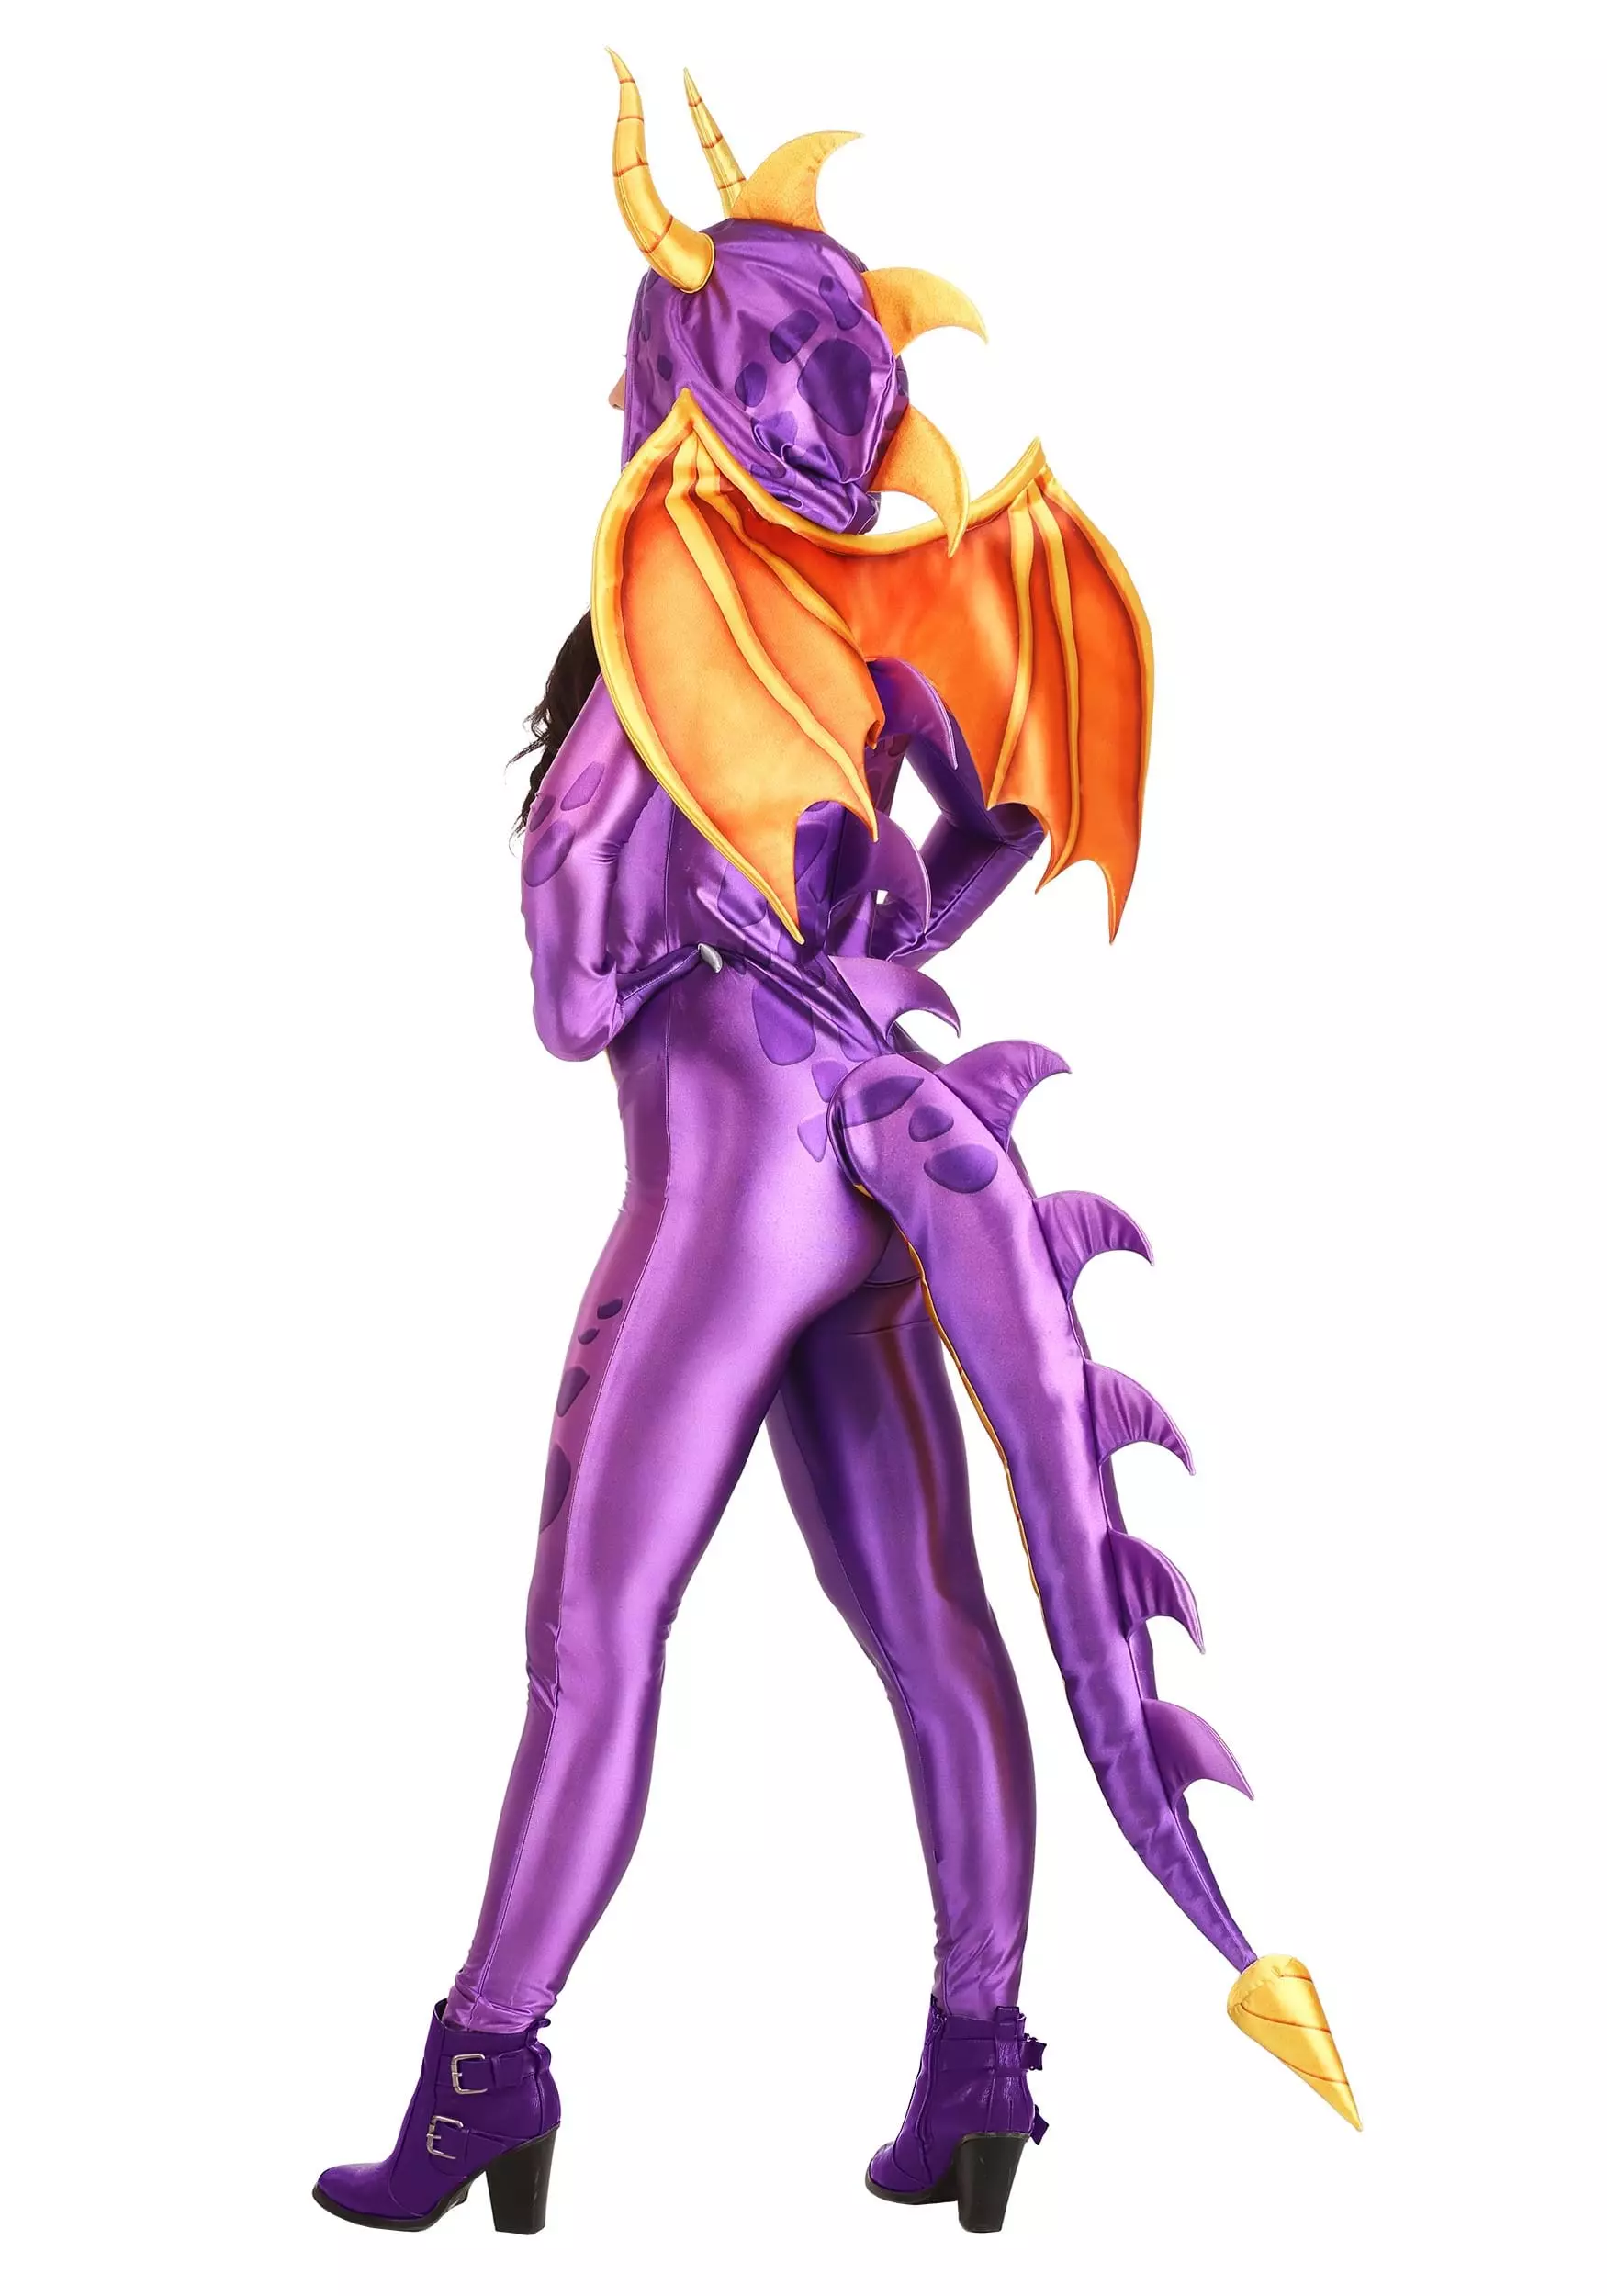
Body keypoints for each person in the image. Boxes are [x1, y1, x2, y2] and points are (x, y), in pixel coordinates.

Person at [313, 56, 1354, 2243]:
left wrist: (652, 872)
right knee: (935, 1620)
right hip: (876, 1153)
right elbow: (980, 824)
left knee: (594, 1637)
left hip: (724, 1193)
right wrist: (872, 923)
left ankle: (487, 2066)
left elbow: (568, 1002)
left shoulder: (659, 658)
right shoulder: (843, 637)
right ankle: (978, 2060)